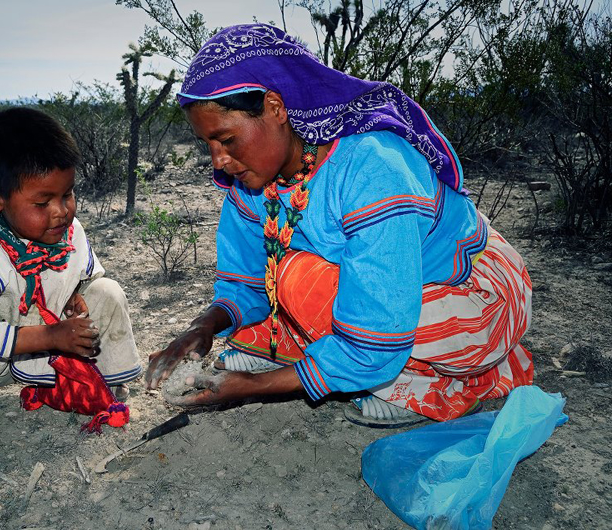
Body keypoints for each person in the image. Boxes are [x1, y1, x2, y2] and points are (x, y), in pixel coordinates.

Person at [146, 24, 533, 426]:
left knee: (298, 281)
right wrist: (202, 326)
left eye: (226, 140)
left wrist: (252, 386)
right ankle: (328, 359)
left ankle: (420, 386)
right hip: (382, 295)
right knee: (287, 279)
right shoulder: (252, 184)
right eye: (207, 144)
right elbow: (244, 281)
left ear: (276, 108)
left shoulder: (372, 168)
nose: (218, 160)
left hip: (468, 294)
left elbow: (376, 330)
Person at [0, 108, 141, 466]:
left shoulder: (68, 233)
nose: (61, 211)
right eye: (42, 203)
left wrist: (76, 293)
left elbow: (88, 273)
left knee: (108, 292)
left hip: (56, 332)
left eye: (67, 194)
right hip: (0, 349)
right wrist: (49, 337)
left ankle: (108, 382)